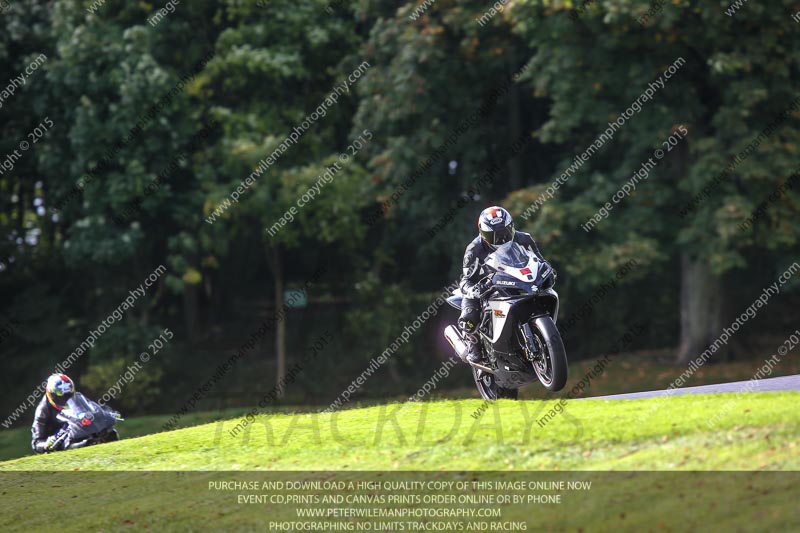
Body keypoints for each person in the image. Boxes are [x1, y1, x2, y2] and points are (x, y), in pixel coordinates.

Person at [458, 206, 553, 364]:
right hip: (484, 287)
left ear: (512, 227)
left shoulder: (524, 239)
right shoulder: (473, 250)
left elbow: (540, 260)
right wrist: (473, 289)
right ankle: (473, 345)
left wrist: (548, 270)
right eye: (493, 235)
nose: (501, 239)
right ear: (483, 234)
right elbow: (466, 279)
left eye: (504, 232)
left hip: (514, 280)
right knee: (468, 319)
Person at [31, 373, 75, 453]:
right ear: (50, 395)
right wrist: (46, 444)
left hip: (76, 431)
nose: (65, 400)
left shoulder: (75, 400)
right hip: (59, 441)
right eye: (60, 397)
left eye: (68, 396)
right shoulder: (42, 411)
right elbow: (36, 443)